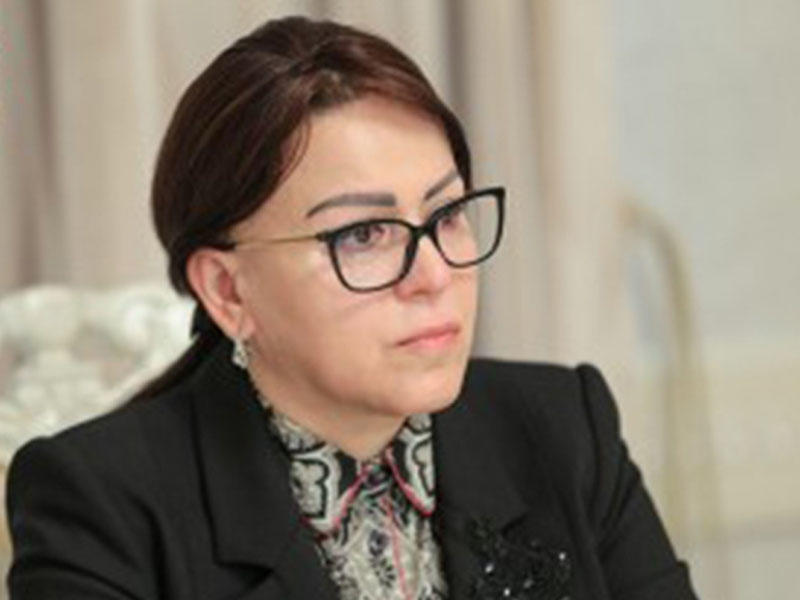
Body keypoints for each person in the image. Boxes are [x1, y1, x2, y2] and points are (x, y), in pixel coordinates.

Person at [4, 15, 698, 600]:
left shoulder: (563, 429)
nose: (434, 274)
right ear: (228, 290)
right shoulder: (102, 503)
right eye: (363, 235)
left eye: (448, 214)